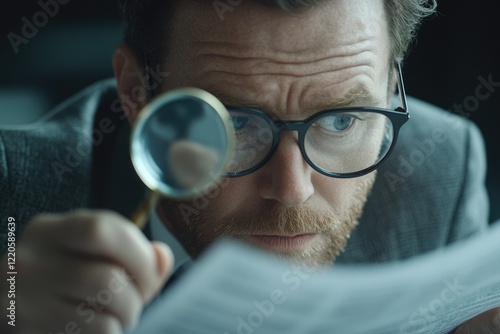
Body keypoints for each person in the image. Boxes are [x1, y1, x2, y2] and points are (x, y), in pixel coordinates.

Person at [0, 0, 498, 333]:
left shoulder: (439, 174)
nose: (291, 188)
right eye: (234, 124)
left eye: (343, 120)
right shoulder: (14, 200)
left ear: (391, 86)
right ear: (135, 93)